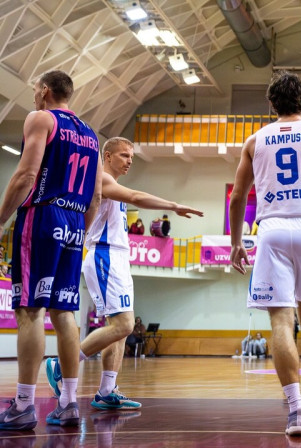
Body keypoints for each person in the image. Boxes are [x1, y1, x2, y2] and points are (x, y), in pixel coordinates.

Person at [228, 71, 301, 437]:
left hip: (273, 229)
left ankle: (295, 409)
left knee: (280, 321)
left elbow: (237, 196)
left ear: (271, 103)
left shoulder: (255, 140)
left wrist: (236, 242)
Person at [44, 136, 202, 411]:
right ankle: (63, 362)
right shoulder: (102, 179)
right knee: (125, 325)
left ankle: (107, 390)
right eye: (124, 155)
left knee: (117, 328)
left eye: (131, 156)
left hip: (116, 256)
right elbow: (136, 196)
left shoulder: (111, 183)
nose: (129, 160)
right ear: (107, 156)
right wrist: (173, 206)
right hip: (105, 254)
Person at [0, 70, 103, 430]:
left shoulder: (41, 118)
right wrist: (77, 232)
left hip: (43, 216)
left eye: (34, 90)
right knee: (64, 313)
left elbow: (26, 176)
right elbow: (96, 197)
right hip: (74, 223)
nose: (32, 95)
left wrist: (0, 219)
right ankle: (70, 402)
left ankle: (24, 404)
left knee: (29, 309)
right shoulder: (91, 135)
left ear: (45, 91)